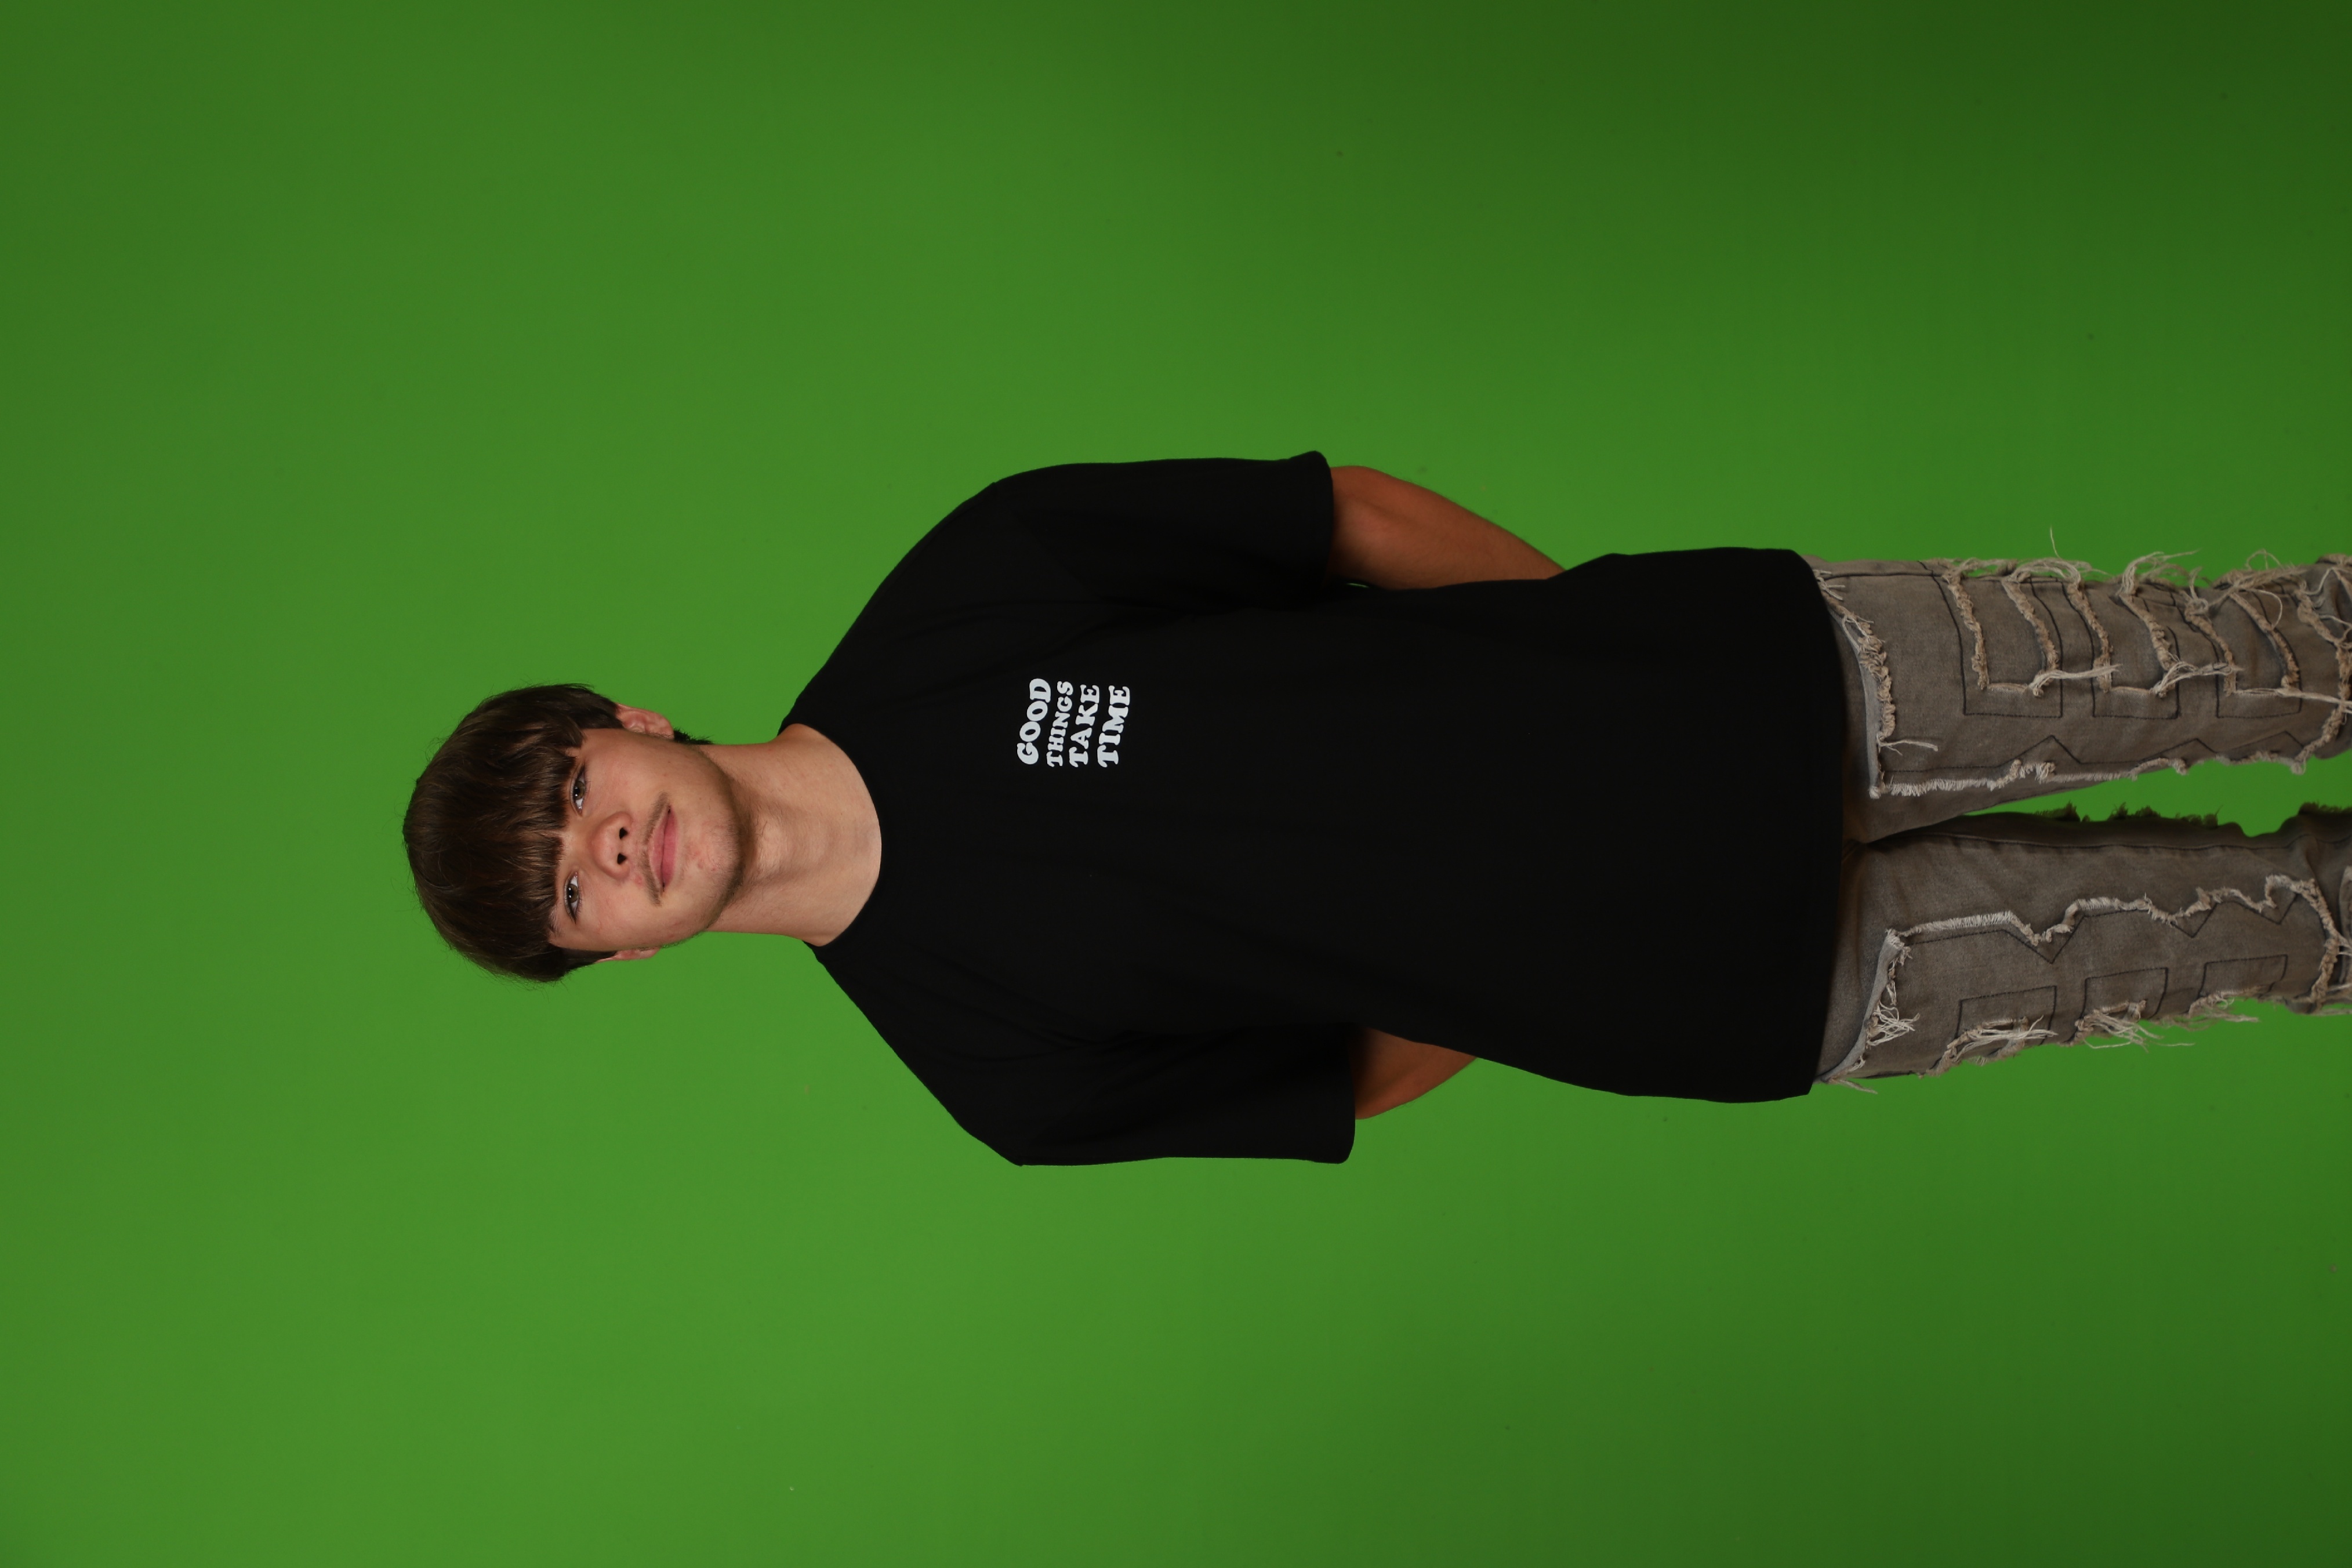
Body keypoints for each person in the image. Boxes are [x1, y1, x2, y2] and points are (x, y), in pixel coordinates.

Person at [402, 455, 2351, 1162]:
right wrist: (1524, 951)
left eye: (577, 791)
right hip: (1772, 989)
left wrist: (1574, 663)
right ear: (612, 953)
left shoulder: (972, 587)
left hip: (1771, 678)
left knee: (2274, 657)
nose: (611, 844)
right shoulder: (995, 1071)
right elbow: (1347, 1076)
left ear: (628, 721)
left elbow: (1336, 515)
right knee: (2286, 936)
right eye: (570, 890)